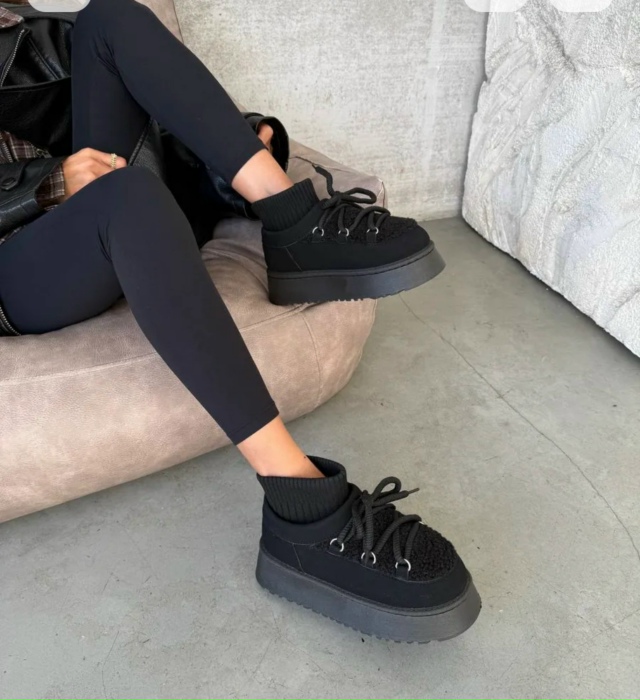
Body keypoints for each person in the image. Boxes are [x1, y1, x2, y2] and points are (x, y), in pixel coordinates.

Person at [0, 0, 480, 643]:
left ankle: (294, 221)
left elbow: (125, 119)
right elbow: (86, 173)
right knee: (127, 196)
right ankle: (301, 508)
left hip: (102, 209)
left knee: (111, 17)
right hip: (18, 261)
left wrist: (232, 153)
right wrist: (47, 184)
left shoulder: (19, 25)